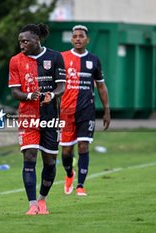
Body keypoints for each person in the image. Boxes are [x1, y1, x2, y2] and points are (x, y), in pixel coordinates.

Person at [8, 23, 66, 215]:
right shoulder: (15, 61)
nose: (21, 44)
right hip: (27, 117)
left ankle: (42, 200)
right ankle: (32, 204)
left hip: (50, 117)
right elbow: (15, 92)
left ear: (36, 40)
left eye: (25, 41)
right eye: (20, 41)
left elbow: (61, 86)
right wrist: (28, 96)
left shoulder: (55, 57)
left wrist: (52, 95)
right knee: (30, 156)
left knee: (49, 162)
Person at [60, 25, 110, 196]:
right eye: (75, 36)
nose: (78, 38)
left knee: (83, 146)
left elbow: (101, 86)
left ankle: (80, 185)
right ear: (71, 39)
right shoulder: (62, 58)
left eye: (81, 36)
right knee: (66, 151)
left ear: (87, 40)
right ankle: (69, 174)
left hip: (87, 110)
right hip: (66, 111)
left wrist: (106, 110)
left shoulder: (94, 60)